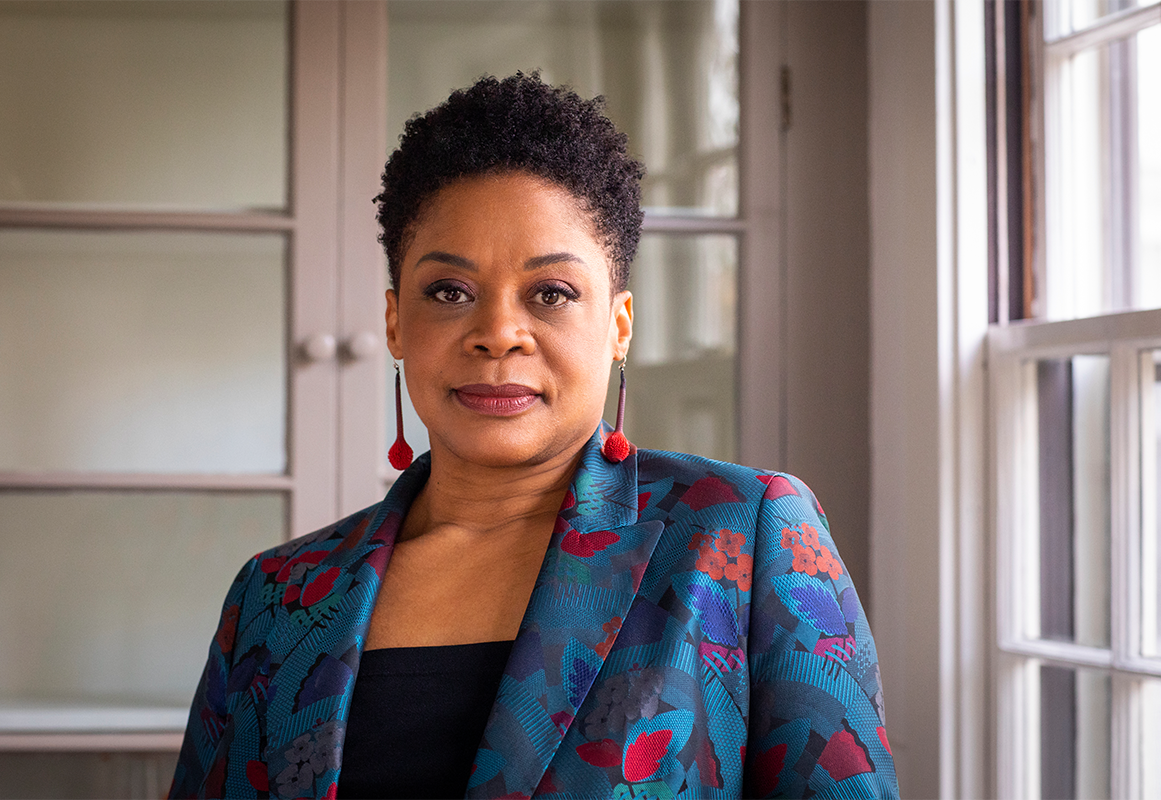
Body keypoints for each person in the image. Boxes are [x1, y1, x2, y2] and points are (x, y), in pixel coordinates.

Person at [169, 73, 899, 800]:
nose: (496, 335)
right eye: (449, 293)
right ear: (395, 321)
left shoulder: (741, 534)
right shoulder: (277, 596)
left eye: (551, 293)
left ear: (619, 324)